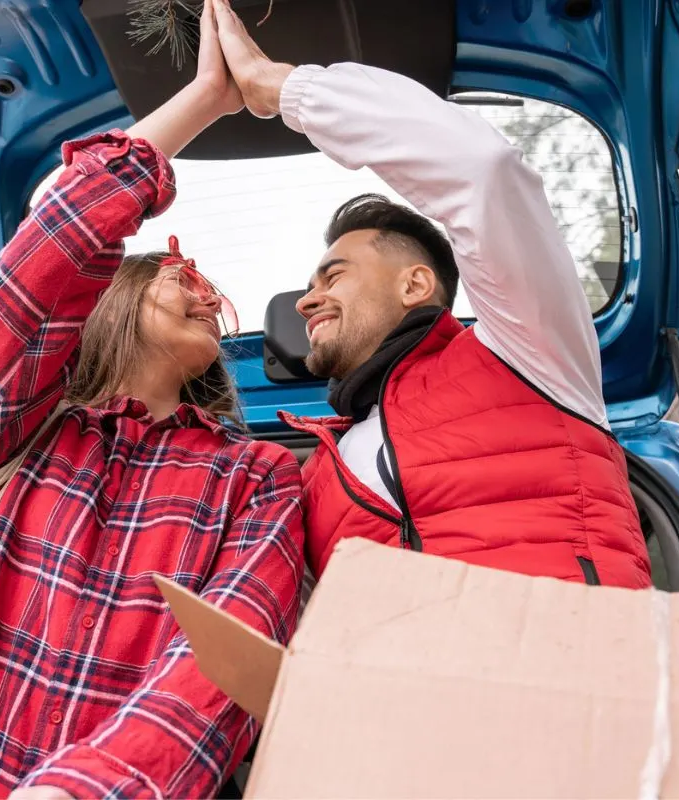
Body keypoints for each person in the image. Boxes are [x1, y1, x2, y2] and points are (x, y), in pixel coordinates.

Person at [0, 2, 304, 797]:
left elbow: (226, 661)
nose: (204, 291)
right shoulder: (22, 426)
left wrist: (83, 788)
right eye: (176, 274)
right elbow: (41, 261)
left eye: (202, 283)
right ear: (111, 301)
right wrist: (208, 100)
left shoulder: (259, 476)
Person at [211, 0, 650, 588]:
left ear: (415, 284)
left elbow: (482, 170)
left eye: (334, 275)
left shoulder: (527, 355)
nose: (304, 301)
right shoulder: (316, 473)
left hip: (572, 666)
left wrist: (283, 90)